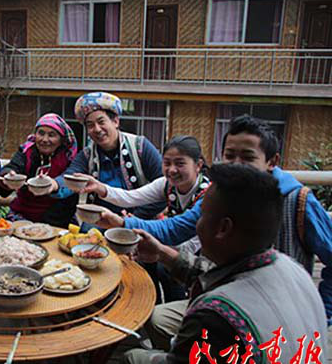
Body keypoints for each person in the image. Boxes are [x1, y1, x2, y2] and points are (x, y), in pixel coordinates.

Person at [95, 115, 332, 346]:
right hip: (228, 299)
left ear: (272, 161)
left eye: (247, 157)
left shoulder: (297, 202)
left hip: (278, 317)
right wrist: (126, 226)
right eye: (229, 156)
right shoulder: (223, 193)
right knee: (159, 318)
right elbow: (179, 227)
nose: (236, 165)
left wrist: (320, 316)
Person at [111, 163, 328, 364]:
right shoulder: (293, 270)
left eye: (202, 215)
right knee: (133, 358)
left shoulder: (216, 316)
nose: (197, 224)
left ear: (223, 228)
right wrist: (163, 253)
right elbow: (215, 274)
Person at [82, 135, 210, 302]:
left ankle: (175, 306)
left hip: (200, 260)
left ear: (198, 165)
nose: (172, 170)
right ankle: (152, 301)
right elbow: (130, 197)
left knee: (166, 271)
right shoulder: (166, 184)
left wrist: (123, 223)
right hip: (176, 244)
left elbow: (177, 230)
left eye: (180, 164)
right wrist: (100, 188)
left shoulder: (209, 196)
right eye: (167, 163)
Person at [49, 92, 165, 221]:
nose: (97, 129)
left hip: (138, 221)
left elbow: (165, 187)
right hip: (99, 221)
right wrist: (53, 184)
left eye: (101, 122)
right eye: (90, 125)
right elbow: (71, 177)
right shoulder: (87, 155)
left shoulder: (140, 147)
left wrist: (137, 216)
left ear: (115, 121)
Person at [0, 113, 79, 228]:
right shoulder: (26, 152)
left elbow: (71, 185)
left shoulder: (69, 158)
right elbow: (13, 166)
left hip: (59, 218)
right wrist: (9, 175)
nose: (45, 139)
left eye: (51, 135)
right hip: (23, 214)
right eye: (41, 133)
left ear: (61, 139)